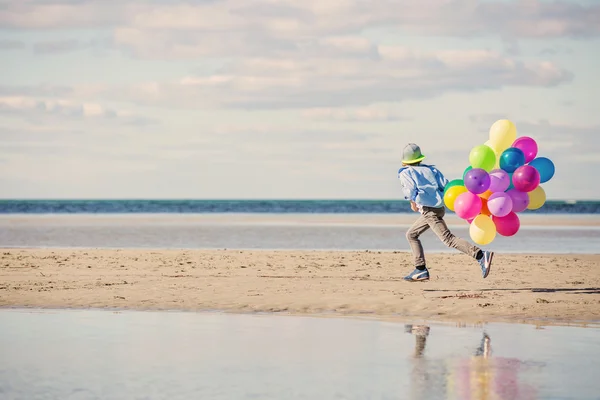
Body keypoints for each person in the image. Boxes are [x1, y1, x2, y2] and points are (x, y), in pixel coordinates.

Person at [397, 143, 493, 281]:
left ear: (404, 160)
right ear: (420, 159)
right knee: (411, 234)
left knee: (448, 239)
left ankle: (480, 255)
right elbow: (446, 185)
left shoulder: (405, 172)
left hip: (429, 210)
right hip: (439, 207)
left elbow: (410, 190)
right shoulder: (432, 170)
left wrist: (412, 201)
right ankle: (420, 269)